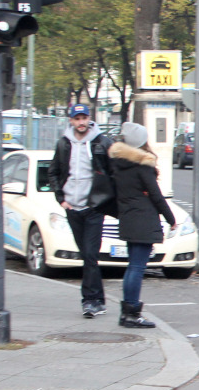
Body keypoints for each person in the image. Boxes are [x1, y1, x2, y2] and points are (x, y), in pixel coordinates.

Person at [47, 108, 115, 318]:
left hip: (93, 208)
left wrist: (104, 200)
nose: (81, 122)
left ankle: (90, 301)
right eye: (77, 119)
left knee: (90, 255)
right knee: (86, 255)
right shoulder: (63, 143)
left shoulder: (101, 142)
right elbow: (53, 172)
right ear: (71, 121)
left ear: (89, 119)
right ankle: (99, 301)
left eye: (84, 118)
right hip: (72, 208)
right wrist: (62, 199)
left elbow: (113, 172)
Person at [108, 123, 177, 328]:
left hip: (128, 218)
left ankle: (126, 313)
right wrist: (170, 218)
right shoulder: (142, 165)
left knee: (132, 267)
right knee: (138, 268)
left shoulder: (118, 164)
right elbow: (156, 195)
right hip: (143, 220)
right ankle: (132, 314)